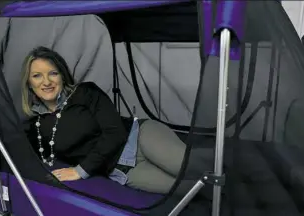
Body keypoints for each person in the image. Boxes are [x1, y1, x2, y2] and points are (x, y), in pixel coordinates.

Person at [22, 46, 187, 194]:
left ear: (62, 76)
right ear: (29, 84)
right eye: (37, 76)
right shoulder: (36, 126)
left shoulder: (86, 92)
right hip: (123, 171)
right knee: (191, 187)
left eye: (53, 73)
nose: (46, 82)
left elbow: (115, 132)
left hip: (140, 138)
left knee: (191, 169)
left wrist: (80, 170)